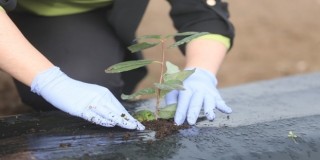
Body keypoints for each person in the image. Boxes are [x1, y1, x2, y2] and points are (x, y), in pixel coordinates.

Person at [0, 0, 235, 130]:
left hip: (63, 13)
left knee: (84, 80)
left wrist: (201, 72)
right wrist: (50, 81)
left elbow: (202, 11)